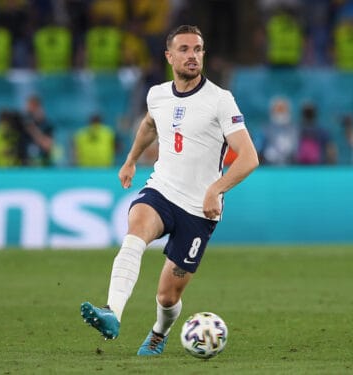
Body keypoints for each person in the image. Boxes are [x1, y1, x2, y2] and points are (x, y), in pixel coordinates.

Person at [80, 25, 259, 356]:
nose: (192, 56)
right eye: (185, 49)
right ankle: (112, 312)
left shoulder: (220, 100)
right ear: (169, 56)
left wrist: (215, 189)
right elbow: (149, 125)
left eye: (198, 49)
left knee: (167, 296)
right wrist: (131, 160)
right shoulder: (157, 95)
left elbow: (249, 158)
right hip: (161, 190)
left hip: (198, 210)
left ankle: (159, 332)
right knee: (135, 232)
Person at [261, 97, 298, 165]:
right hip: (269, 166)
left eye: (282, 110)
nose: (280, 113)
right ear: (272, 111)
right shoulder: (266, 129)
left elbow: (295, 148)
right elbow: (260, 149)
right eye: (278, 110)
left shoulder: (294, 129)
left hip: (290, 166)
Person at [22, 95, 54, 166]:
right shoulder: (22, 123)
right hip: (26, 165)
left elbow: (47, 146)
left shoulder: (46, 125)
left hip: (42, 164)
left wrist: (32, 129)